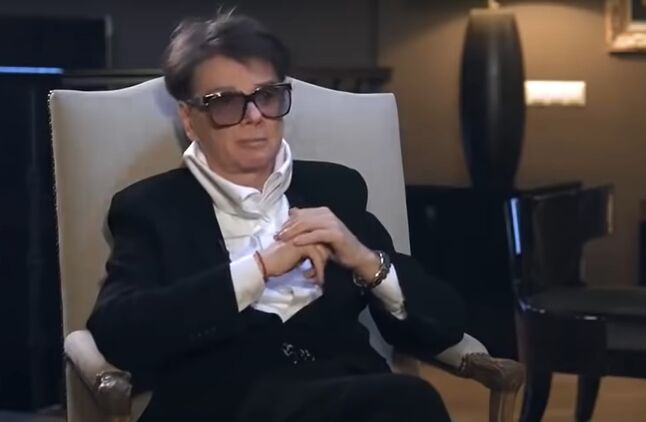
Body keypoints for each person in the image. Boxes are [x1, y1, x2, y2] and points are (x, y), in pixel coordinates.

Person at [86, 11, 466, 422]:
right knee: (408, 400)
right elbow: (117, 333)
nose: (254, 117)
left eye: (266, 96)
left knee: (408, 401)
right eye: (226, 102)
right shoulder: (151, 207)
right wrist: (259, 269)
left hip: (350, 396)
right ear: (189, 120)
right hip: (225, 405)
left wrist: (364, 260)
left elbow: (445, 325)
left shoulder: (335, 190)